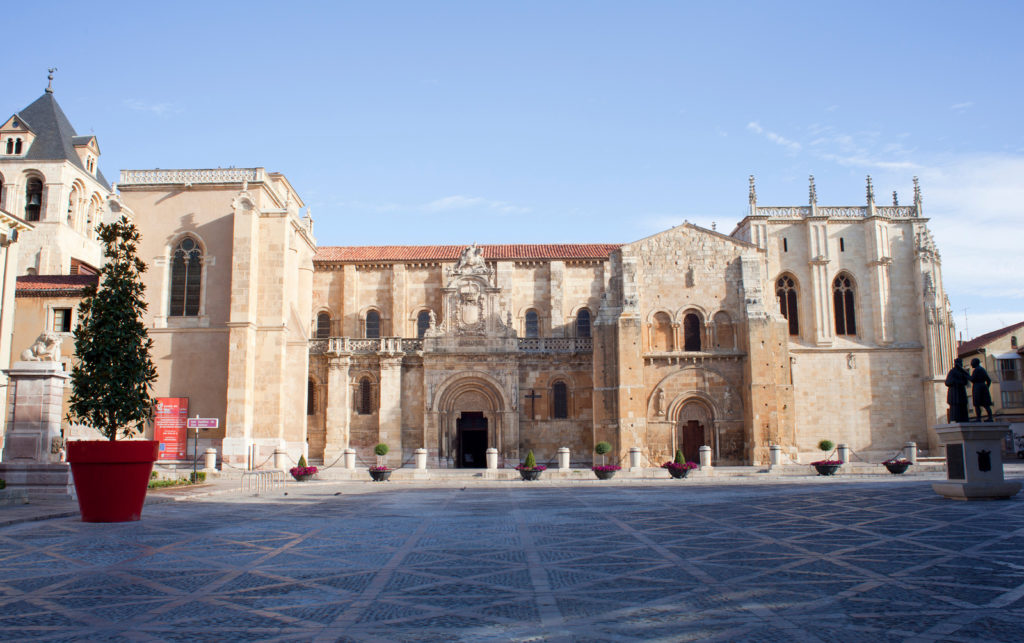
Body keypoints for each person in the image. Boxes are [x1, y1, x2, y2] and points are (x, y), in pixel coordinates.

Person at [944, 358, 971, 423]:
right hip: (954, 391)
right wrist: (957, 381)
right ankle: (955, 418)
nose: (960, 364)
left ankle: (963, 418)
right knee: (955, 405)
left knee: (962, 404)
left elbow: (967, 380)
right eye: (959, 363)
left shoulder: (962, 372)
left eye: (961, 363)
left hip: (961, 391)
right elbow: (947, 382)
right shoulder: (952, 371)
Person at [970, 358, 994, 422]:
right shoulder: (982, 369)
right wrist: (986, 388)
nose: (971, 364)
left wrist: (966, 376)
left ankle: (978, 418)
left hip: (977, 388)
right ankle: (990, 418)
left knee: (977, 404)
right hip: (983, 387)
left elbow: (972, 379)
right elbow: (988, 380)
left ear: (975, 363)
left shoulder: (976, 370)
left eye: (972, 362)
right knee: (986, 404)